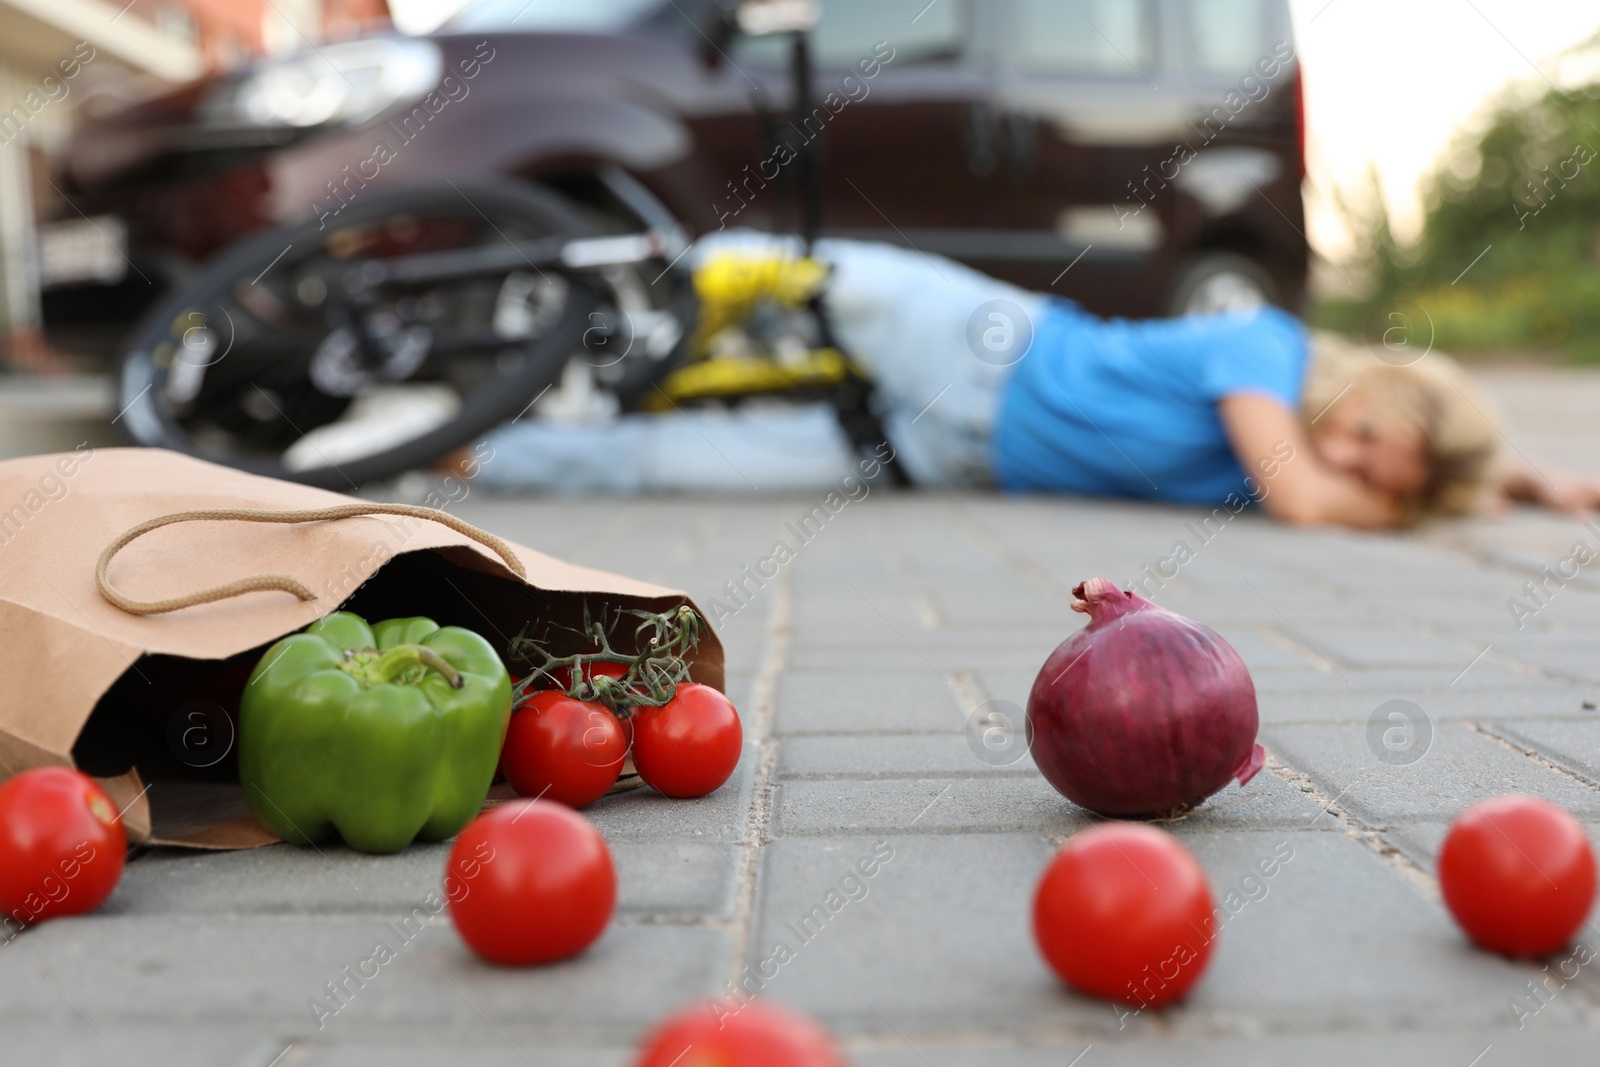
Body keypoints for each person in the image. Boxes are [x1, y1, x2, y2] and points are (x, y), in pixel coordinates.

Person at [479, 235, 1600, 528]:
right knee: (733, 278)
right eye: (1369, 436)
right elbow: (1310, 500)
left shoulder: (1309, 456)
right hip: (972, 347)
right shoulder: (1267, 348)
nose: (1348, 458)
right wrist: (1396, 508)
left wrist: (1527, 484)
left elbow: (1336, 482)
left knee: (672, 467)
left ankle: (449, 445)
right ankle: (506, 299)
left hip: (930, 456)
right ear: (1378, 385)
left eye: (1379, 474)